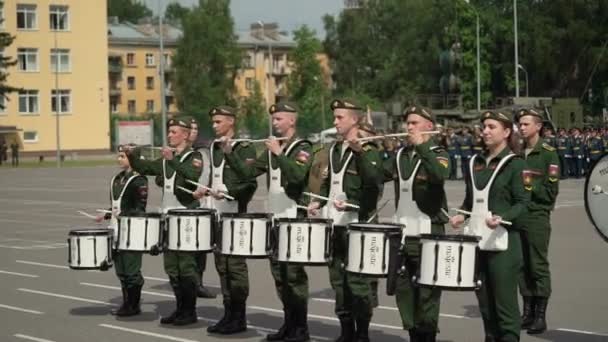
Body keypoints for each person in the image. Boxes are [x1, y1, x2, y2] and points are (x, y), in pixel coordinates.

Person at [224, 102, 313, 341]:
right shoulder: (275, 148)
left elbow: (296, 175)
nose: (274, 123)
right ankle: (288, 324)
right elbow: (247, 173)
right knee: (280, 277)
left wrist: (279, 153)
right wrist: (229, 154)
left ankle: (300, 328)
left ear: (291, 121)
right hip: (274, 220)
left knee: (294, 277)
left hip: (294, 220)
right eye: (273, 119)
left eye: (279, 119)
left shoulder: (302, 147)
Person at [449, 111, 530, 342]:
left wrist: (502, 217)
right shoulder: (475, 162)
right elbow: (470, 200)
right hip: (477, 242)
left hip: (504, 245)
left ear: (506, 132)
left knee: (505, 307)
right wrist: (461, 216)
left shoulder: (516, 164)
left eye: (491, 127)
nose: (485, 130)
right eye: (484, 126)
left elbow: (523, 203)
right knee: (485, 305)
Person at [307, 99, 383, 342]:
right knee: (338, 281)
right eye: (335, 117)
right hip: (335, 225)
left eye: (340, 117)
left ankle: (362, 334)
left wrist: (360, 152)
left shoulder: (368, 151)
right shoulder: (334, 150)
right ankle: (346, 330)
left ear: (354, 119)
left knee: (358, 283)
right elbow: (330, 182)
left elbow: (374, 184)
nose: (335, 122)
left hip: (357, 226)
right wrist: (318, 201)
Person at [126, 117, 203, 326]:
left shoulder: (194, 157)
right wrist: (131, 155)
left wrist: (172, 160)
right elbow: (145, 168)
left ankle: (190, 311)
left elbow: (191, 176)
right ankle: (180, 309)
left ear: (185, 135)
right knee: (172, 267)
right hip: (168, 218)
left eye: (174, 132)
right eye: (169, 132)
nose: (169, 135)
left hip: (186, 217)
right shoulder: (166, 159)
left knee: (186, 267)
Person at [383, 106, 449, 342]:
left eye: (414, 123)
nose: (408, 127)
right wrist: (361, 151)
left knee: (428, 293)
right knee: (404, 292)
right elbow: (376, 177)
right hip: (403, 233)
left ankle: (427, 338)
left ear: (428, 127)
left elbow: (439, 176)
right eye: (407, 123)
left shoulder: (438, 152)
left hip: (428, 232)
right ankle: (413, 336)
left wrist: (422, 145)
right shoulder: (401, 155)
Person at [195, 105, 257, 335]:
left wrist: (229, 191)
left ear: (231, 122)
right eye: (212, 122)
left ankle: (239, 317)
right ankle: (228, 314)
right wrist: (206, 188)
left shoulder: (244, 148)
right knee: (222, 267)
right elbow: (215, 176)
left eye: (218, 122)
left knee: (236, 269)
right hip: (217, 214)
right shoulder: (215, 148)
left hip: (236, 216)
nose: (214, 126)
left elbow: (250, 183)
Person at [517, 109, 559, 335]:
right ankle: (527, 312)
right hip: (518, 216)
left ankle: (540, 316)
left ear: (538, 126)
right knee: (522, 265)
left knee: (537, 265)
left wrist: (529, 184)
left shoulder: (548, 154)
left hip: (537, 215)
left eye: (525, 124)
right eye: (520, 124)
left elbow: (551, 192)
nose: (521, 128)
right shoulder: (518, 151)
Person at [95, 144, 148, 316]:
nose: (119, 159)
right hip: (116, 229)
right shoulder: (117, 179)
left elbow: (140, 208)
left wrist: (124, 213)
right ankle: (126, 303)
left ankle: (134, 305)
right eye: (119, 156)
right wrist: (106, 214)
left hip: (132, 231)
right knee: (121, 270)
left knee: (132, 270)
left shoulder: (139, 179)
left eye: (123, 156)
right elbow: (116, 205)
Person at [187, 117, 216, 299]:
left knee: (201, 245)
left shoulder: (203, 151)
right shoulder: (177, 152)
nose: (194, 132)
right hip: (184, 203)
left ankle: (198, 282)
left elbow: (210, 174)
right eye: (191, 128)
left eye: (196, 128)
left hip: (203, 202)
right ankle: (188, 282)